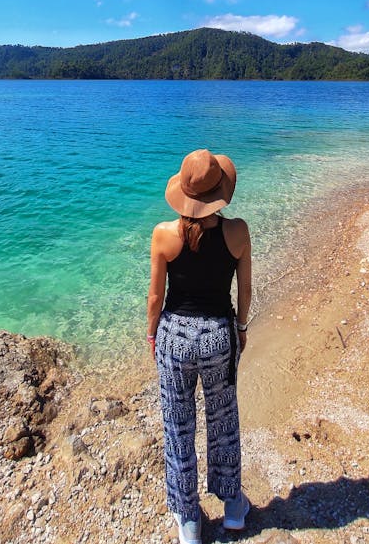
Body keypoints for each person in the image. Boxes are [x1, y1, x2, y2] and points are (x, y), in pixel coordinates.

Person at [147, 148, 252, 544]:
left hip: (175, 337)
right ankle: (232, 509)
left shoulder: (163, 234)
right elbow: (245, 289)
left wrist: (153, 336)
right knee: (223, 422)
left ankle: (189, 520)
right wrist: (241, 327)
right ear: (219, 193)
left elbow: (155, 298)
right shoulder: (237, 231)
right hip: (219, 337)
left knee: (178, 426)